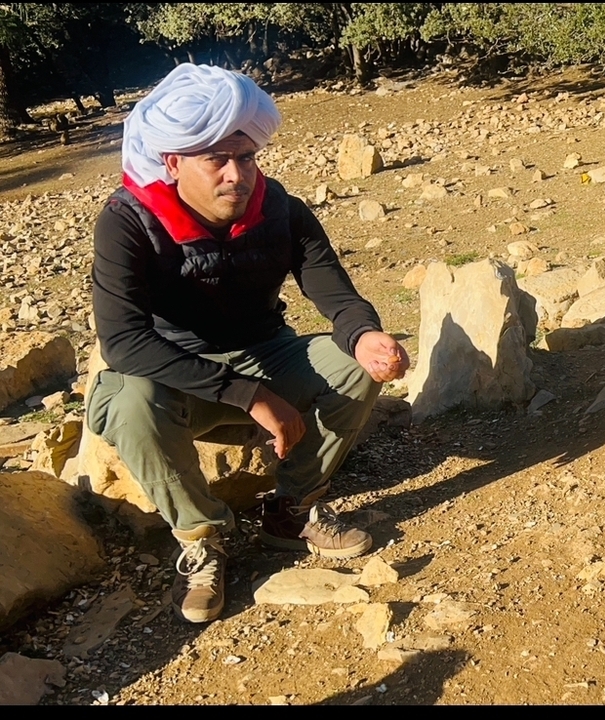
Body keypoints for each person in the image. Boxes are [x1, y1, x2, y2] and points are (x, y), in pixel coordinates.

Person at [87, 63, 410, 623]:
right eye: (216, 159)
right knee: (131, 402)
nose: (236, 175)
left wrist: (365, 336)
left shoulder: (277, 206)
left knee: (355, 368)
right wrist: (251, 397)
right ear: (173, 162)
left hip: (266, 355)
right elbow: (122, 341)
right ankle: (202, 540)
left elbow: (332, 289)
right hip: (174, 379)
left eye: (246, 156)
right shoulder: (128, 221)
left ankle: (290, 511)